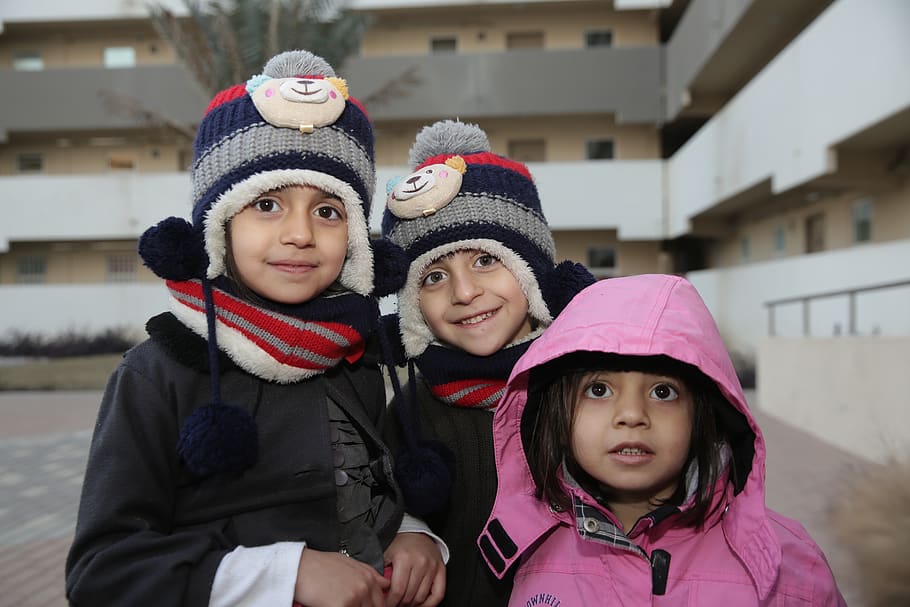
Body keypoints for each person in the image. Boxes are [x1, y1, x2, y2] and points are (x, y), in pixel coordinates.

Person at [65, 50, 446, 607]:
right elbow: (103, 571)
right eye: (268, 203)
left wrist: (413, 531)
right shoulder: (157, 374)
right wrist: (284, 575)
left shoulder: (356, 358)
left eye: (328, 211)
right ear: (219, 224)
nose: (300, 234)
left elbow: (365, 487)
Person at [477, 274, 846, 606]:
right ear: (558, 412)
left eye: (663, 392)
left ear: (705, 415)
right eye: (600, 389)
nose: (633, 414)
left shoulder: (789, 563)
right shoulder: (524, 546)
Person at [373, 120, 594, 606]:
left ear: (532, 272)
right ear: (411, 310)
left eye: (485, 261)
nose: (465, 292)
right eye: (433, 277)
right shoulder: (407, 414)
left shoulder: (589, 389)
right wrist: (406, 531)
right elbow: (374, 506)